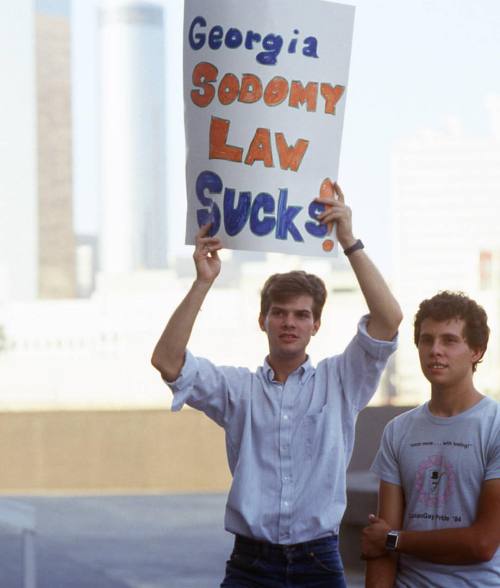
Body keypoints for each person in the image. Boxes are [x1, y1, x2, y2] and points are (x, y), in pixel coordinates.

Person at [151, 181, 402, 587]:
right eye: (280, 313)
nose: (290, 322)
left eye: (302, 315)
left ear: (316, 325)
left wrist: (349, 241)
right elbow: (167, 361)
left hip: (318, 561)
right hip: (251, 565)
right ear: (262, 320)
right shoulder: (238, 390)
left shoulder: (341, 379)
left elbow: (389, 319)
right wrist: (203, 281)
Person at [362, 291, 500, 587]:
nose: (435, 350)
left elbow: (483, 544)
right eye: (427, 340)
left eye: (449, 340)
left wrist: (393, 539)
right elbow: (380, 546)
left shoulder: (495, 425)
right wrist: (388, 540)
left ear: (476, 350)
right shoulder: (398, 430)